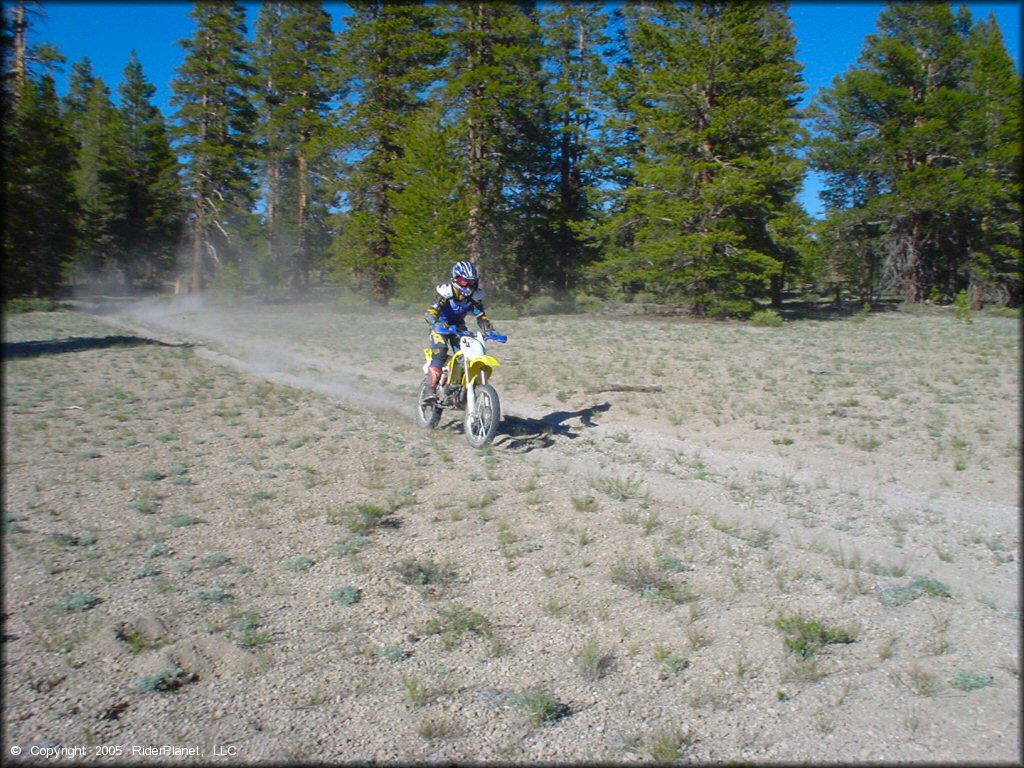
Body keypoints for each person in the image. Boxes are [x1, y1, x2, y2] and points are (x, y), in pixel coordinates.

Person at [422, 260, 495, 399]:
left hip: (459, 328)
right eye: (463, 281)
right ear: (455, 279)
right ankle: (430, 390)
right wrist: (433, 319)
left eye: (471, 282)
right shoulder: (446, 292)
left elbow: (481, 316)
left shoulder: (474, 297)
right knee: (440, 353)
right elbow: (432, 310)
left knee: (465, 355)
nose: (468, 285)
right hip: (440, 327)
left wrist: (490, 330)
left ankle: (458, 386)